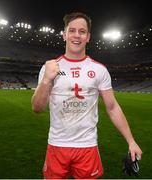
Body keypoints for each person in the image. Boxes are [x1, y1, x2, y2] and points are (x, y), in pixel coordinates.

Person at [31, 12, 142, 179]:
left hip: (87, 147)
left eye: (82, 31)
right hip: (57, 145)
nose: (77, 35)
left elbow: (112, 107)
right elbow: (37, 108)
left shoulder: (99, 70)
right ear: (64, 35)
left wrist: (131, 141)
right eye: (72, 30)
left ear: (88, 37)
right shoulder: (50, 68)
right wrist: (46, 80)